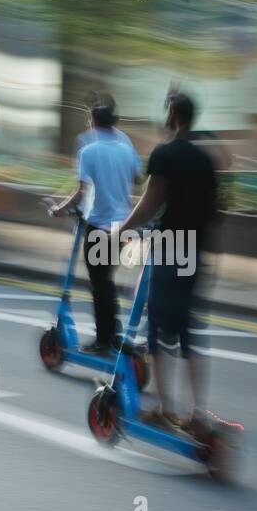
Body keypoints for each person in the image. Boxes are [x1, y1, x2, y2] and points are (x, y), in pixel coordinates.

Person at [118, 91, 219, 427]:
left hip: (170, 247)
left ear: (173, 115)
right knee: (189, 329)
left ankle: (165, 409)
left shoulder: (164, 153)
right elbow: (219, 208)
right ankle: (197, 413)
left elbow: (150, 202)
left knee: (160, 327)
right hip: (197, 248)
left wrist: (122, 230)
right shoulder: (206, 160)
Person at [49, 99, 141, 353]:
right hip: (124, 225)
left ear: (94, 121)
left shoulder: (88, 152)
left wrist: (59, 210)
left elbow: (82, 191)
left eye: (89, 120)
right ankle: (113, 335)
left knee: (100, 283)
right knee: (106, 280)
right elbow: (137, 177)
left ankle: (104, 340)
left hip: (99, 224)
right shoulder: (126, 148)